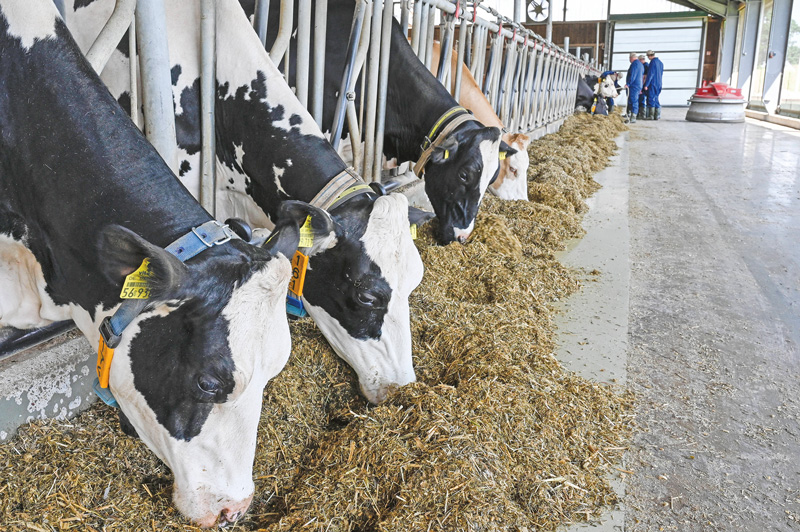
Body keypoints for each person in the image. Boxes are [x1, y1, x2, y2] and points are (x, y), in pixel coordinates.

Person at [643, 50, 664, 120]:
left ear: (649, 56)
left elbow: (650, 74)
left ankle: (651, 116)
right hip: (659, 83)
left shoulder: (652, 63)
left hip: (652, 84)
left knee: (651, 98)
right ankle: (657, 115)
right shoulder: (660, 63)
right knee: (656, 98)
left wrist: (646, 84)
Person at [625, 52, 644, 123]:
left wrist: (628, 84)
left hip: (634, 85)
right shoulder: (640, 64)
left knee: (633, 100)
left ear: (631, 58)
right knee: (633, 100)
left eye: (629, 58)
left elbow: (633, 75)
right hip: (638, 85)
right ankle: (630, 115)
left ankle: (633, 117)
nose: (629, 60)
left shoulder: (634, 64)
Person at [638, 55, 649, 120]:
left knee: (642, 99)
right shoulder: (645, 65)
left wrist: (641, 87)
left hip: (643, 85)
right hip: (643, 85)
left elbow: (644, 77)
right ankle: (641, 113)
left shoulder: (645, 66)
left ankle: (642, 114)